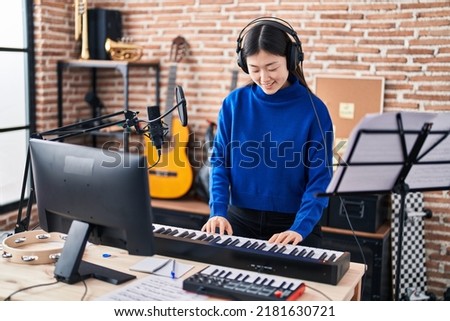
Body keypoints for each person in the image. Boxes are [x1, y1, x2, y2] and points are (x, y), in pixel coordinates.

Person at [201, 17, 333, 247]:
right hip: (237, 222)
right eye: (254, 69)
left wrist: (299, 229)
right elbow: (219, 162)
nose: (264, 78)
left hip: (294, 228)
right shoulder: (234, 104)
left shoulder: (315, 110)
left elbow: (320, 179)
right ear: (244, 65)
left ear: (291, 59)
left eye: (272, 67)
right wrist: (217, 211)